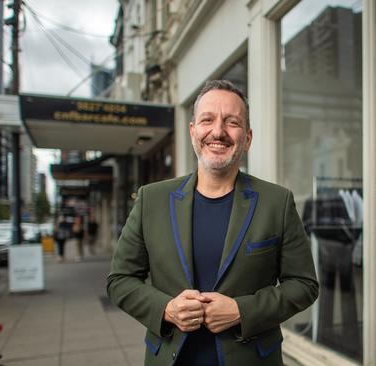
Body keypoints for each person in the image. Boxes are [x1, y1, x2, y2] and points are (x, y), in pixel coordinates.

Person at [107, 80, 319, 366]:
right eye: (208, 120)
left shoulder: (276, 202)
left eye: (232, 122)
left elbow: (304, 284)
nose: (218, 132)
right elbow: (120, 281)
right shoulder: (151, 200)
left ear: (248, 137)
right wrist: (167, 309)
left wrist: (242, 311)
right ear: (193, 130)